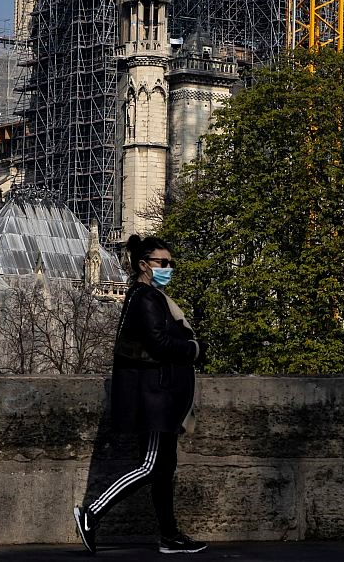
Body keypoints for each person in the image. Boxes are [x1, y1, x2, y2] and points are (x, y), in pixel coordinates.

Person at [74, 234, 208, 555]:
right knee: (151, 466)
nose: (169, 268)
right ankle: (91, 513)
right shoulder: (146, 298)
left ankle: (170, 536)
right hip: (154, 398)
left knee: (164, 469)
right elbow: (159, 344)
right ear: (144, 265)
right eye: (163, 263)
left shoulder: (147, 296)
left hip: (161, 397)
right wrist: (194, 349)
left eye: (171, 263)